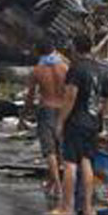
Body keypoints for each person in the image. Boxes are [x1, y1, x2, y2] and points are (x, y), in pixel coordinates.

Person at [52, 37, 108, 215]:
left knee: (70, 163)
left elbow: (70, 97)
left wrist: (60, 121)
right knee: (86, 162)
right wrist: (101, 115)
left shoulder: (76, 69)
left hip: (76, 123)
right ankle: (87, 208)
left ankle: (66, 208)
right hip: (92, 124)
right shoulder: (99, 69)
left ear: (75, 48)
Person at [27, 39, 72, 203]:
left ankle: (58, 186)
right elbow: (71, 92)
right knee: (61, 149)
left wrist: (24, 115)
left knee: (49, 150)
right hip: (64, 110)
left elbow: (30, 95)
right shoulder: (65, 68)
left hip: (46, 109)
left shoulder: (37, 70)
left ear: (38, 52)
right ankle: (55, 183)